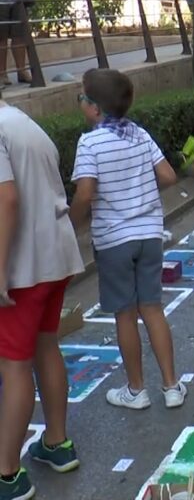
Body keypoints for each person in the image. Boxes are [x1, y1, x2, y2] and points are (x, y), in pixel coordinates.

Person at [69, 69, 186, 411]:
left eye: (81, 97)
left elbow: (86, 192)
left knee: (124, 314)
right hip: (149, 232)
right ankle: (172, 386)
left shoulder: (90, 142)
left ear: (94, 108)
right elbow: (167, 175)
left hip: (113, 237)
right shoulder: (138, 133)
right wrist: (141, 198)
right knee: (152, 308)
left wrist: (73, 223)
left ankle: (136, 390)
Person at [0, 101, 84, 499]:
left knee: (15, 367)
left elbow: (7, 201)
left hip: (24, 267)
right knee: (46, 346)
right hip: (56, 255)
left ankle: (7, 474)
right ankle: (56, 442)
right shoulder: (21, 121)